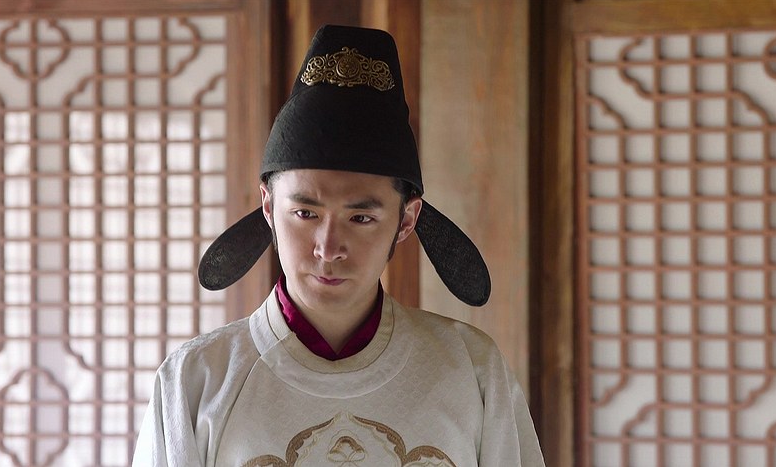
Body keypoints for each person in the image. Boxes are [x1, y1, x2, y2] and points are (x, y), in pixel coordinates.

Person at [133, 24, 545, 467]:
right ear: (269, 206)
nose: (328, 248)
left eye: (361, 218)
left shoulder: (472, 371)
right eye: (305, 213)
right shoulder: (197, 381)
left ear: (406, 220)